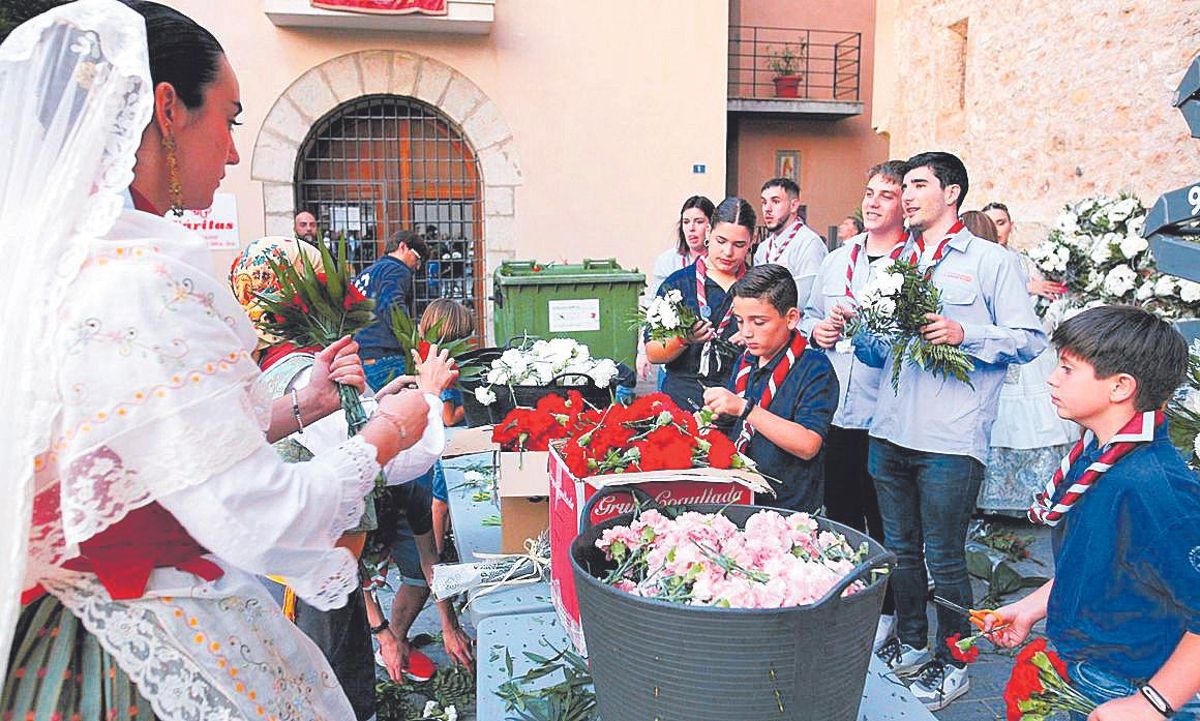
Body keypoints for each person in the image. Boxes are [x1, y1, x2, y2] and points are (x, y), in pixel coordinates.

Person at [0, 2, 437, 719]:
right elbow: (259, 516)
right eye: (230, 119)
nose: (234, 153)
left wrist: (301, 405)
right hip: (137, 643)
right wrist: (388, 429)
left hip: (52, 639)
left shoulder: (54, 267)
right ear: (168, 108)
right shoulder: (143, 282)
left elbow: (148, 450)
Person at [229, 234, 455, 720]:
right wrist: (430, 399)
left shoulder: (276, 371)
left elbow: (347, 429)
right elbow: (382, 462)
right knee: (331, 694)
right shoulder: (305, 374)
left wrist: (378, 401)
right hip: (310, 582)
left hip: (295, 568)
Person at [853, 152, 1046, 710]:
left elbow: (1028, 340)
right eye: (902, 186)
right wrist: (854, 331)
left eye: (917, 185)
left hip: (951, 438)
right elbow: (872, 355)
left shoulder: (990, 262)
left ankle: (955, 659)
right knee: (900, 550)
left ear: (952, 192)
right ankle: (912, 643)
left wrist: (968, 332)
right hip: (889, 430)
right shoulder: (895, 264)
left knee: (944, 556)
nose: (905, 196)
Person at [986, 306, 1200, 720]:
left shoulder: (1155, 489)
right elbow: (1100, 563)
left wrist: (1151, 704)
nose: (1052, 377)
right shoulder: (1101, 457)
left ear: (1120, 386)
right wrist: (1031, 606)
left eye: (1067, 369)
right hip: (1093, 667)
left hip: (1134, 683)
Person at [802, 160, 909, 648]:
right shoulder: (837, 258)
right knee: (842, 512)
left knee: (885, 519)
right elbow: (806, 316)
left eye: (885, 195)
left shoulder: (914, 265)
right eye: (869, 192)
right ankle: (849, 599)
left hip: (884, 412)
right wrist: (816, 331)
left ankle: (890, 611)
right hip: (836, 411)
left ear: (904, 205)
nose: (872, 202)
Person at [702, 264, 838, 512]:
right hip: (741, 497)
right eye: (740, 321)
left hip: (789, 508)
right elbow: (732, 424)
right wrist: (713, 418)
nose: (746, 332)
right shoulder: (747, 361)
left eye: (759, 322)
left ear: (791, 318)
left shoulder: (815, 367)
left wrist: (744, 408)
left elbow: (808, 445)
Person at [973, 202, 1080, 515]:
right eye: (991, 223)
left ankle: (1038, 495)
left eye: (1003, 222)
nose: (998, 229)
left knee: (1041, 418)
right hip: (998, 348)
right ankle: (991, 500)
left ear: (1011, 225)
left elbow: (1046, 301)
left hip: (1032, 350)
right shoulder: (983, 262)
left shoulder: (1026, 261)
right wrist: (1027, 287)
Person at [645, 197, 755, 412]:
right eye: (721, 241)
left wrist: (759, 337)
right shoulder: (679, 284)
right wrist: (684, 338)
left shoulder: (760, 286)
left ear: (750, 242)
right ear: (708, 234)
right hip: (684, 401)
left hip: (742, 401)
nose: (728, 252)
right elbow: (653, 352)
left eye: (739, 245)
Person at [639, 195, 716, 385]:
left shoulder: (719, 262)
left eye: (699, 222)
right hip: (673, 356)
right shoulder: (668, 261)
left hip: (712, 357)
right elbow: (652, 311)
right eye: (686, 222)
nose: (691, 228)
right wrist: (643, 351)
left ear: (712, 226)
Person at [355, 229, 430, 390]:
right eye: (417, 259)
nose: (417, 267)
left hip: (360, 358)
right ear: (402, 247)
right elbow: (393, 307)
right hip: (385, 357)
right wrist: (412, 341)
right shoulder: (397, 269)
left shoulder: (367, 273)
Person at [756, 177, 827, 303]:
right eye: (764, 202)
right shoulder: (763, 247)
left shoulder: (809, 243)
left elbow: (809, 298)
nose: (767, 209)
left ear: (793, 205)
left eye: (775, 201)